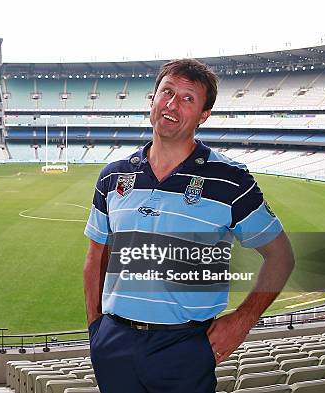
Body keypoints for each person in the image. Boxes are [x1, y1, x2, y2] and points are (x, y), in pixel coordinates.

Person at [83, 58, 294, 393]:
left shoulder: (231, 180)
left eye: (187, 98)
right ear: (152, 100)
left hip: (185, 346)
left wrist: (242, 320)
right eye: (167, 92)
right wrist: (96, 328)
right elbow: (96, 255)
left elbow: (281, 256)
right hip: (114, 343)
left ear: (203, 115)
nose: (172, 104)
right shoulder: (113, 176)